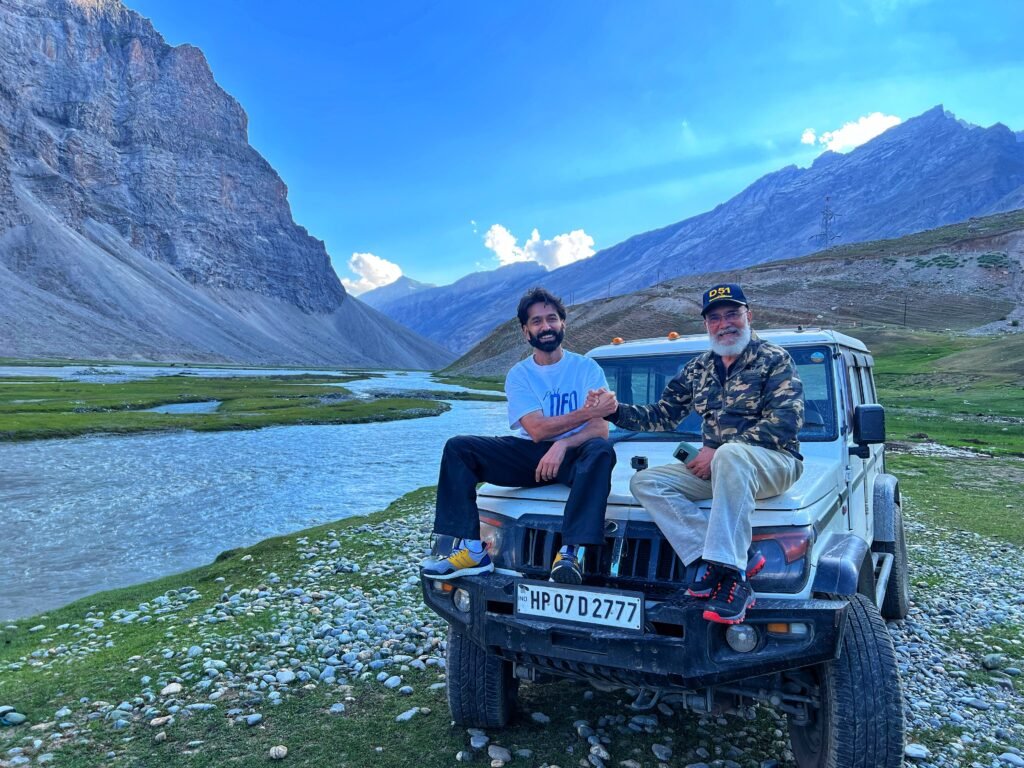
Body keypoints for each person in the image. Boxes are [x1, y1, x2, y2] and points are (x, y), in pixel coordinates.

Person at [587, 283, 804, 624]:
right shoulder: (697, 369)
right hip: (724, 469)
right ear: (706, 325)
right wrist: (613, 411)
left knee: (732, 454)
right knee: (646, 482)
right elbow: (662, 415)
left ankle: (734, 580)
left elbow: (786, 422)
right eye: (715, 317)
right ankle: (724, 556)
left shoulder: (774, 360)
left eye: (732, 314)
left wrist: (716, 450)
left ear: (749, 315)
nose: (724, 323)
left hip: (775, 464)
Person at [422, 287, 616, 584]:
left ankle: (570, 552)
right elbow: (537, 430)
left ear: (563, 324)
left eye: (551, 319)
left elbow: (601, 430)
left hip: (575, 455)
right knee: (459, 448)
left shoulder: (586, 368)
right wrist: (587, 413)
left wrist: (563, 443)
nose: (545, 326)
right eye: (536, 321)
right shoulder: (520, 374)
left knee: (602, 451)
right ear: (526, 332)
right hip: (531, 455)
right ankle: (473, 550)